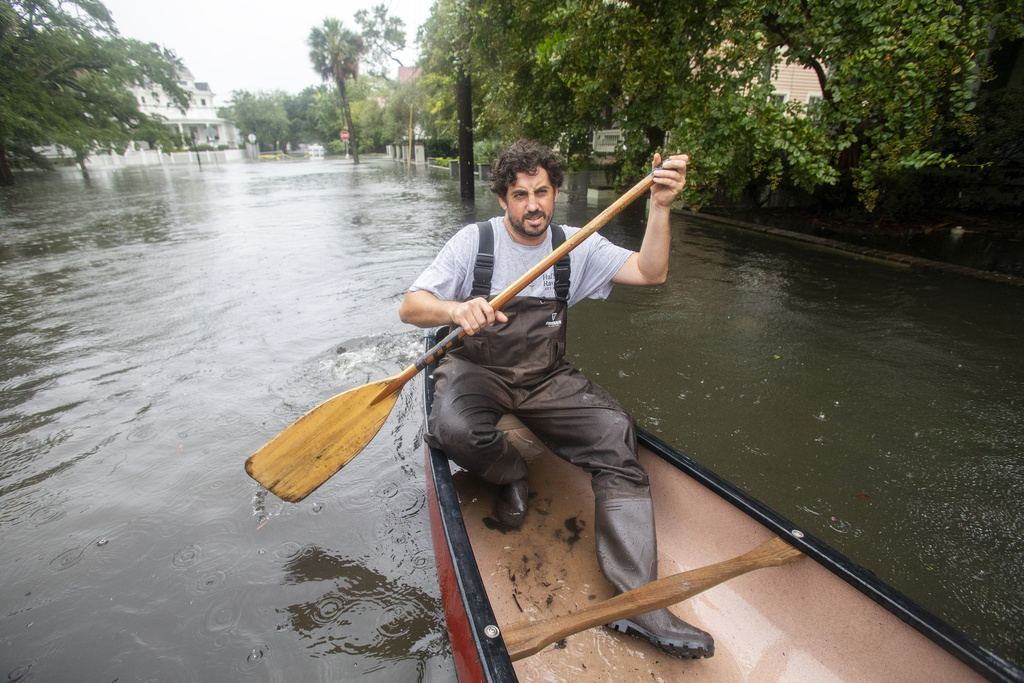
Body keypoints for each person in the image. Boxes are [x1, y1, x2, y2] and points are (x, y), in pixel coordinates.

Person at [398, 140, 714, 659]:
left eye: (541, 191)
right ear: (503, 199)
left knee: (616, 433)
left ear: (556, 192)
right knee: (453, 429)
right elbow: (412, 308)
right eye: (519, 194)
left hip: (545, 376)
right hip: (477, 369)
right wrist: (456, 311)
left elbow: (651, 271)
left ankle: (638, 601)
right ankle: (512, 471)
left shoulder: (578, 243)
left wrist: (659, 207)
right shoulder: (471, 244)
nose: (532, 205)